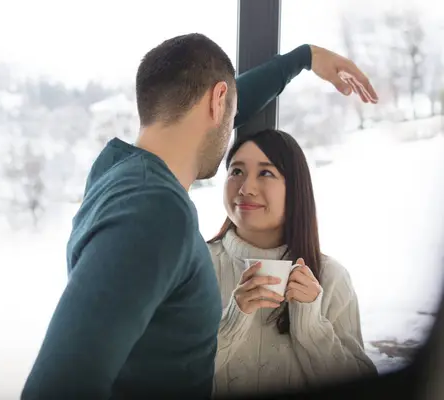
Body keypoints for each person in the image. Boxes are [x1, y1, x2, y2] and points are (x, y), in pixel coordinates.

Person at [20, 33, 377, 400]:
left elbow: (221, 110)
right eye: (237, 170)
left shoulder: (116, 171)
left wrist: (304, 58)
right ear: (218, 99)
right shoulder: (153, 210)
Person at [208, 129, 378, 397]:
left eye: (265, 173)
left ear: (296, 188)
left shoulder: (331, 277)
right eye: (236, 171)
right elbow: (167, 378)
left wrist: (310, 324)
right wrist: (233, 320)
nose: (245, 188)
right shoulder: (195, 266)